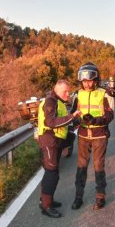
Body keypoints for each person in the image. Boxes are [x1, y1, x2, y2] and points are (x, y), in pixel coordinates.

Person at [70, 62, 114, 210]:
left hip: (99, 135)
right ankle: (78, 197)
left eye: (89, 81)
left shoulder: (104, 93)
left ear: (96, 80)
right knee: (81, 166)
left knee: (98, 165)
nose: (87, 84)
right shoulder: (77, 94)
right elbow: (73, 113)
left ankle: (100, 196)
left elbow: (110, 115)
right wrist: (78, 120)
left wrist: (95, 120)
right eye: (84, 81)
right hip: (83, 135)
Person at [38, 79, 82, 218]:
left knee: (51, 172)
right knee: (52, 173)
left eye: (69, 91)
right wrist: (71, 117)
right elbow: (51, 122)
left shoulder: (59, 102)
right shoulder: (51, 101)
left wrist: (76, 120)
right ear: (57, 90)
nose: (68, 94)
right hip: (49, 140)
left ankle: (45, 200)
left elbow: (63, 121)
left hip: (55, 141)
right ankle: (46, 206)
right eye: (65, 91)